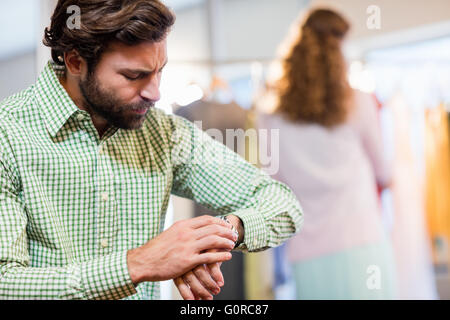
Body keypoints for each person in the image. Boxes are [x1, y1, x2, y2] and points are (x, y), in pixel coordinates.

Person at [0, 0, 303, 300]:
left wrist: (217, 236)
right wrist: (139, 264)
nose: (155, 92)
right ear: (75, 61)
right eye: (134, 76)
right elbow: (5, 283)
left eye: (160, 70)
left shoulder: (166, 133)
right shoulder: (7, 135)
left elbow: (283, 203)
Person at [257, 8, 397, 299]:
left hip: (307, 248)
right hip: (361, 240)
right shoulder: (357, 102)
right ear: (337, 52)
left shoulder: (270, 113)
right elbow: (384, 171)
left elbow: (273, 180)